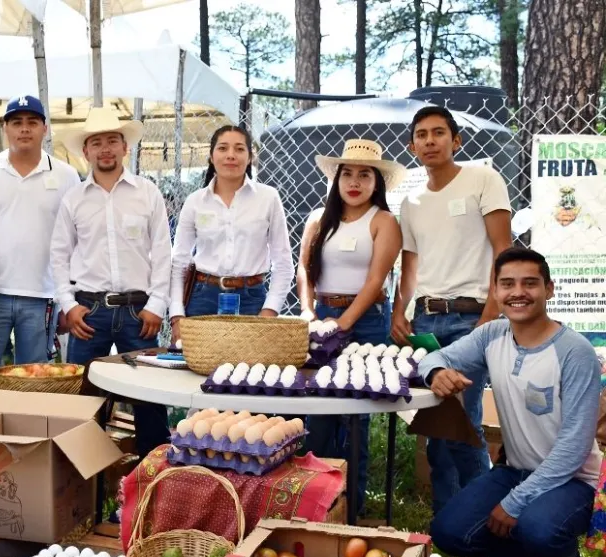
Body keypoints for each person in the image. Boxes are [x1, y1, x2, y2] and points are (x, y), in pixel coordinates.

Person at [423, 247, 601, 557]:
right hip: (516, 468)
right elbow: (434, 357)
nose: (517, 292)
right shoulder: (492, 334)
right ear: (495, 291)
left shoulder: (575, 352)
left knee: (537, 524)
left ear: (549, 289)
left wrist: (515, 502)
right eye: (507, 284)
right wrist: (437, 373)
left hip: (573, 480)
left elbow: (574, 448)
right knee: (449, 531)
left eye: (529, 283)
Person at [392, 105, 513, 513]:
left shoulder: (482, 179)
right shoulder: (411, 201)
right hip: (426, 321)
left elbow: (503, 250)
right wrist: (398, 311)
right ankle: (448, 528)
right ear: (412, 146)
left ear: (455, 140)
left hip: (470, 318)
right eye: (421, 135)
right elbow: (410, 265)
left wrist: (488, 320)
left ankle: (482, 527)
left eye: (438, 133)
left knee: (464, 425)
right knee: (437, 431)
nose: (430, 141)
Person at [51, 107, 171, 456]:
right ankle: (84, 483)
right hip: (89, 312)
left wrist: (156, 305)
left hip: (139, 312)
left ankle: (155, 475)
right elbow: (58, 256)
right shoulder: (73, 199)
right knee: (85, 400)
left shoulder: (147, 193)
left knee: (150, 398)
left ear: (125, 148)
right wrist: (69, 305)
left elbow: (163, 253)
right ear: (85, 151)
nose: (105, 149)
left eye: (112, 141)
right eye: (96, 142)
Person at [296, 139, 406, 515]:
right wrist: (309, 312)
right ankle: (315, 504)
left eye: (364, 174)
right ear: (337, 179)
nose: (354, 182)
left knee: (356, 418)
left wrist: (343, 323)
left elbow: (376, 281)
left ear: (378, 182)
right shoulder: (317, 219)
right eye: (347, 174)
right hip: (324, 315)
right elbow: (305, 270)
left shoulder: (384, 221)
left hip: (367, 322)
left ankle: (353, 507)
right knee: (319, 414)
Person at [0, 95, 80, 366]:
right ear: (5, 128)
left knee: (36, 380)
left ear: (45, 128)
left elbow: (76, 241)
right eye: (16, 122)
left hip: (44, 296)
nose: (24, 129)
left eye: (32, 122)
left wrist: (67, 299)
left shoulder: (67, 176)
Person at [169, 125, 293, 331]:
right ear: (211, 156)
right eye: (223, 148)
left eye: (239, 149)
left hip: (252, 299)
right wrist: (176, 314)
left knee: (249, 363)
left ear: (251, 157)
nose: (231, 155)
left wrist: (270, 310)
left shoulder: (268, 197)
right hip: (203, 298)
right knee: (200, 362)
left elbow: (283, 263)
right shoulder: (195, 201)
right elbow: (179, 260)